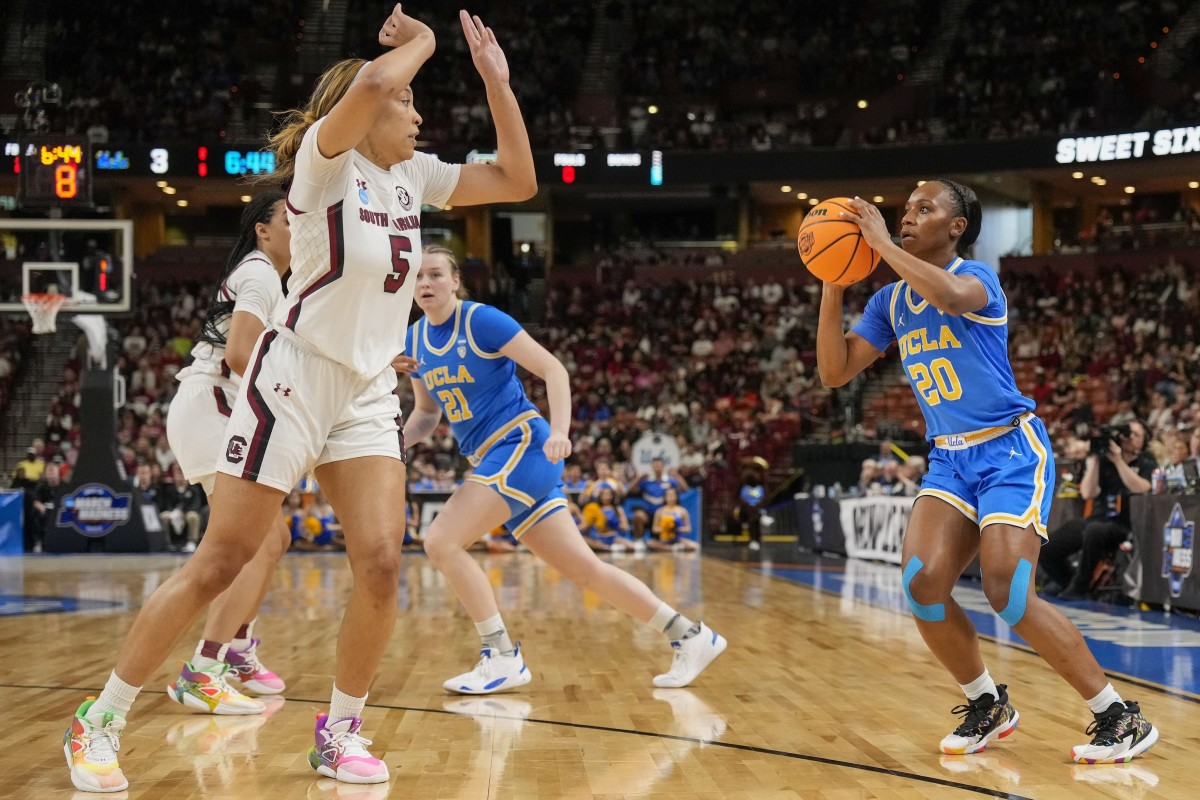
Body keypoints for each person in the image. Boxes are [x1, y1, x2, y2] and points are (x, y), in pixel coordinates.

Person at [64, 6, 537, 791]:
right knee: (223, 560)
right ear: (366, 105)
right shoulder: (326, 163)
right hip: (293, 378)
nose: (418, 113)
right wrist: (421, 40)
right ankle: (101, 718)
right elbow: (382, 76)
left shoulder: (413, 177)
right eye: (409, 104)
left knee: (383, 562)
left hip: (363, 392)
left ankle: (338, 732)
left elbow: (517, 177)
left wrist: (497, 83)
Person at [818, 181, 1158, 763]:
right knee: (922, 585)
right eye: (904, 212)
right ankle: (987, 704)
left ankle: (1118, 715)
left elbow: (949, 297)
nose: (906, 218)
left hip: (1009, 450)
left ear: (956, 227)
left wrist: (876, 240)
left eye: (924, 209)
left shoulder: (979, 279)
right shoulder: (889, 303)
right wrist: (832, 281)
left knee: (1008, 588)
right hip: (950, 457)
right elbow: (834, 371)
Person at [404, 247, 726, 697]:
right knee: (585, 571)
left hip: (522, 445)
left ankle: (500, 654)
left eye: (436, 274)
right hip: (496, 460)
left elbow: (553, 368)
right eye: (418, 276)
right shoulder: (414, 341)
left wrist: (560, 431)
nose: (426, 283)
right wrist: (394, 443)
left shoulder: (482, 320)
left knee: (440, 540)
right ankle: (690, 636)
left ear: (455, 281)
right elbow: (425, 414)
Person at [158, 191, 293, 722]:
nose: (300, 225)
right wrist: (291, 401)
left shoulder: (278, 282)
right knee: (252, 544)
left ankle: (235, 649)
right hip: (212, 403)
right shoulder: (259, 272)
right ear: (262, 229)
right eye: (290, 217)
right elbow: (239, 355)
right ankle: (205, 669)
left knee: (272, 538)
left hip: (222, 408)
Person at [1040, 421, 1154, 600]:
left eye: (1135, 435)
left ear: (1144, 440)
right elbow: (1087, 493)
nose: (1129, 438)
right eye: (1126, 433)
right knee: (1046, 547)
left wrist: (1118, 461)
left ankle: (1080, 586)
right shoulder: (1104, 462)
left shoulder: (1147, 462)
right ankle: (1068, 582)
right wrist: (1094, 462)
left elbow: (1142, 488)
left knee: (1094, 531)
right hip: (1098, 518)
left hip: (1126, 523)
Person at [648, 486, 697, 551]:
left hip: (677, 539)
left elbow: (688, 529)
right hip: (663, 540)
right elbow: (654, 529)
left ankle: (674, 548)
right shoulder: (659, 511)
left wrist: (676, 529)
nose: (671, 498)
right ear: (665, 497)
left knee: (694, 546)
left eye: (673, 495)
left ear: (677, 497)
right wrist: (666, 528)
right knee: (650, 543)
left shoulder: (682, 511)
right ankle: (673, 548)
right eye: (669, 495)